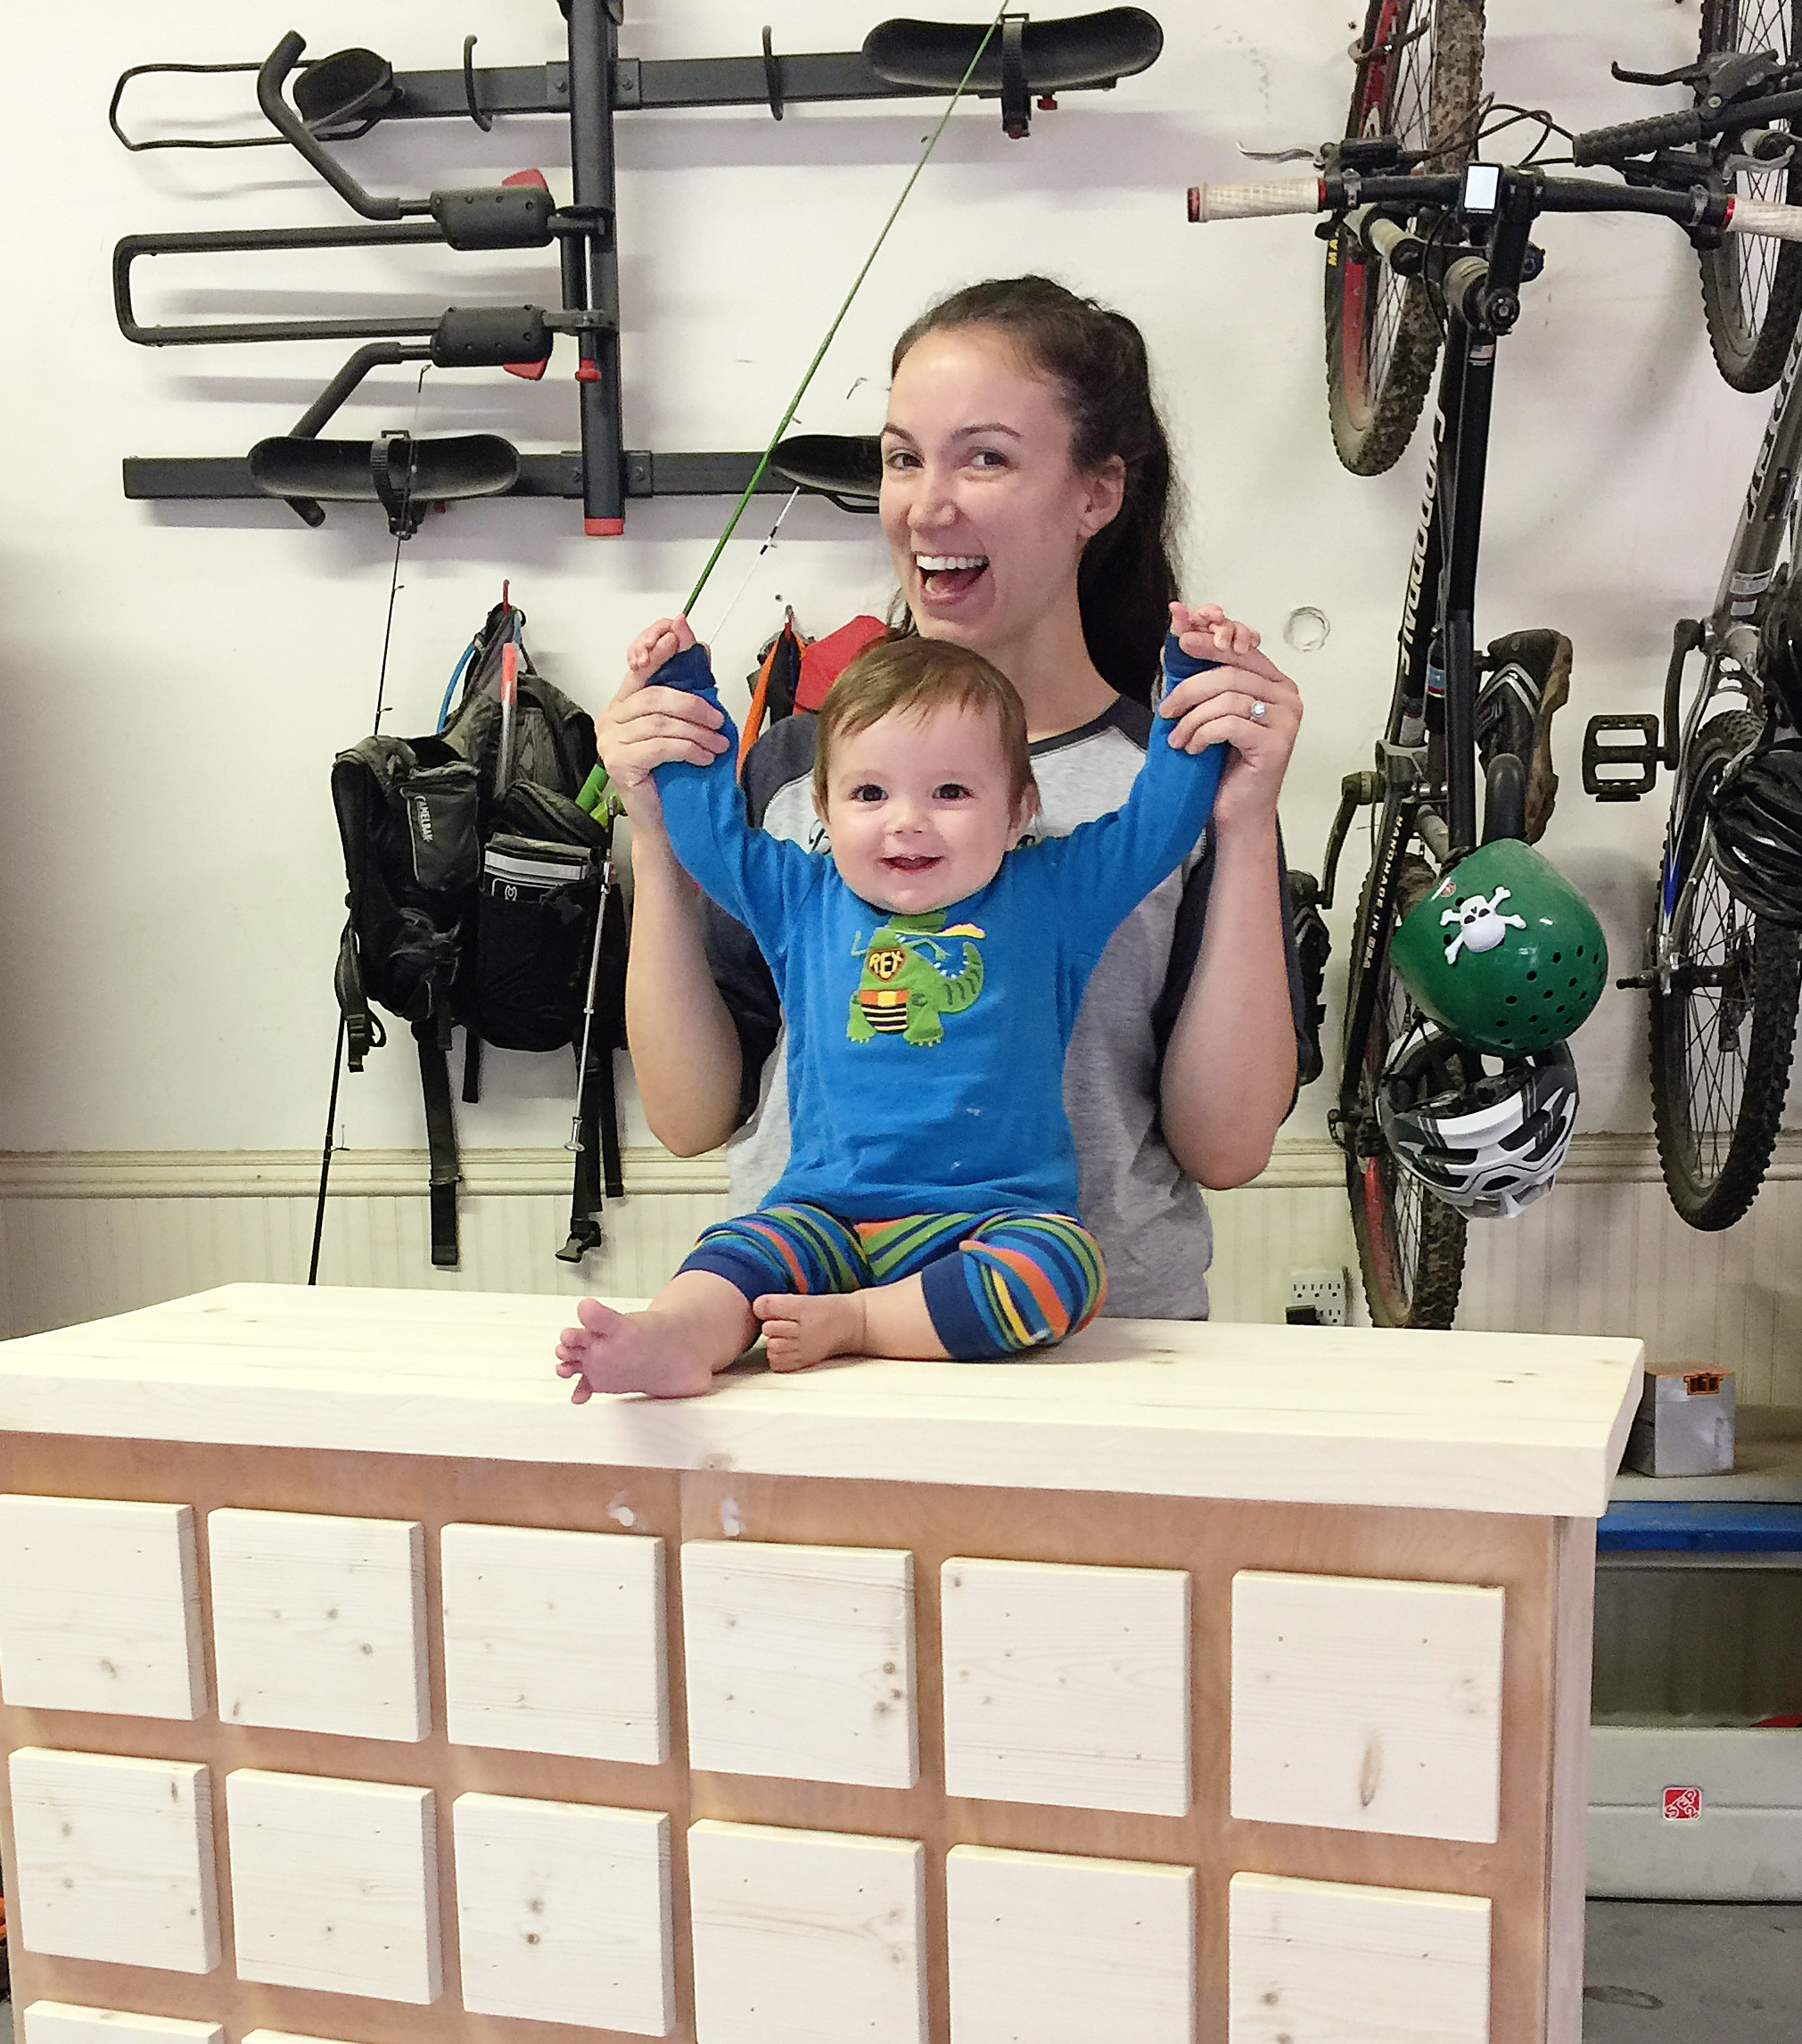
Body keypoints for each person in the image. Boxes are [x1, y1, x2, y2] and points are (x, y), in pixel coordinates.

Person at [592, 273, 1310, 1328]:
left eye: (985, 457)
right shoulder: (796, 773)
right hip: (804, 1332)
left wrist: (1243, 828)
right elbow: (693, 1116)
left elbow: (1227, 1146)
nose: (927, 505)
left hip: (1093, 1345)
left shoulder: (1172, 782)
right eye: (901, 458)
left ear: (1096, 494)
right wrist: (653, 832)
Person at [559, 607, 1266, 1402]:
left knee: (1061, 1275)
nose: (908, 821)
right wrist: (680, 693)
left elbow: (1158, 826)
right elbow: (707, 835)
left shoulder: (1056, 891)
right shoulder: (801, 894)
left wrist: (1192, 677)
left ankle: (857, 1321)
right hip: (822, 1213)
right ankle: (676, 1336)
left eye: (951, 791)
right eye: (869, 792)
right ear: (822, 812)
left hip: (994, 1220)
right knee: (732, 1256)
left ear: (1018, 810)